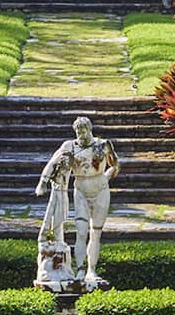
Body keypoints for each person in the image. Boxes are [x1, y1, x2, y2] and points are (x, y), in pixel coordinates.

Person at [35, 115, 120, 288]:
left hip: (100, 190)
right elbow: (53, 162)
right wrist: (42, 182)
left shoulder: (103, 145)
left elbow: (115, 165)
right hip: (81, 190)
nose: (81, 134)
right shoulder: (70, 146)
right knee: (81, 232)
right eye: (78, 131)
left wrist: (106, 176)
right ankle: (80, 269)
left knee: (95, 232)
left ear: (90, 129)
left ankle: (91, 270)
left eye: (84, 130)